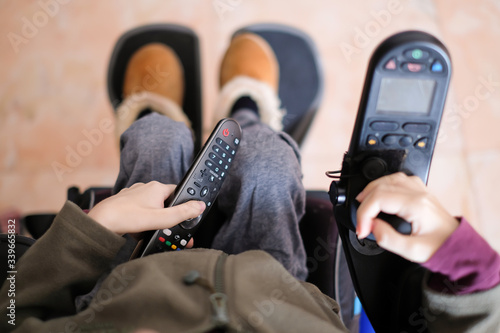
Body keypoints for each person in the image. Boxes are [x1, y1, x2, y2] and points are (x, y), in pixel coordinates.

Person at [1, 32, 499, 333]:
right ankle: (248, 110)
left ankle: (155, 114)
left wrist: (88, 232)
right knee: (266, 162)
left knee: (153, 142)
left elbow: (11, 314)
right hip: (278, 286)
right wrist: (472, 270)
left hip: (128, 279)